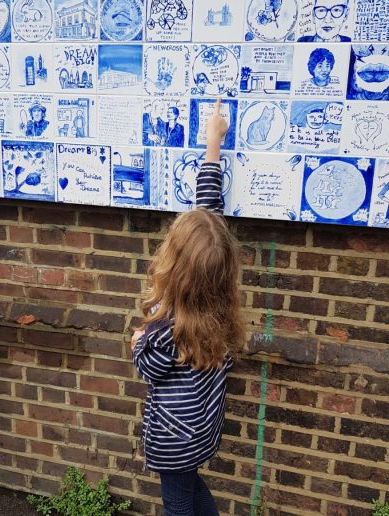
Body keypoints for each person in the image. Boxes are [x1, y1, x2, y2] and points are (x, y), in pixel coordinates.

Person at [131, 99, 245, 516]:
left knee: (177, 503)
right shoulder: (218, 298)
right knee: (193, 490)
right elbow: (209, 219)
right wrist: (213, 144)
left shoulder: (167, 326)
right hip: (201, 430)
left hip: (173, 438)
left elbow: (148, 370)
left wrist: (138, 341)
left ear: (174, 260)